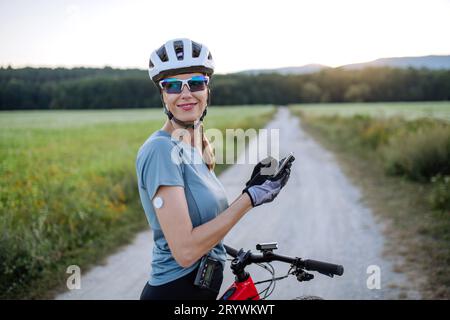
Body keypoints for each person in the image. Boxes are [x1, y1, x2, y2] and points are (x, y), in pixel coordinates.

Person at [136, 38, 292, 300]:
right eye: (173, 85)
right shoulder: (160, 151)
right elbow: (185, 251)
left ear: (207, 89)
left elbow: (202, 220)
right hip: (177, 292)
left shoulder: (195, 146)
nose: (185, 93)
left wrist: (250, 188)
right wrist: (250, 198)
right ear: (163, 95)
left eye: (195, 83)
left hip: (203, 285)